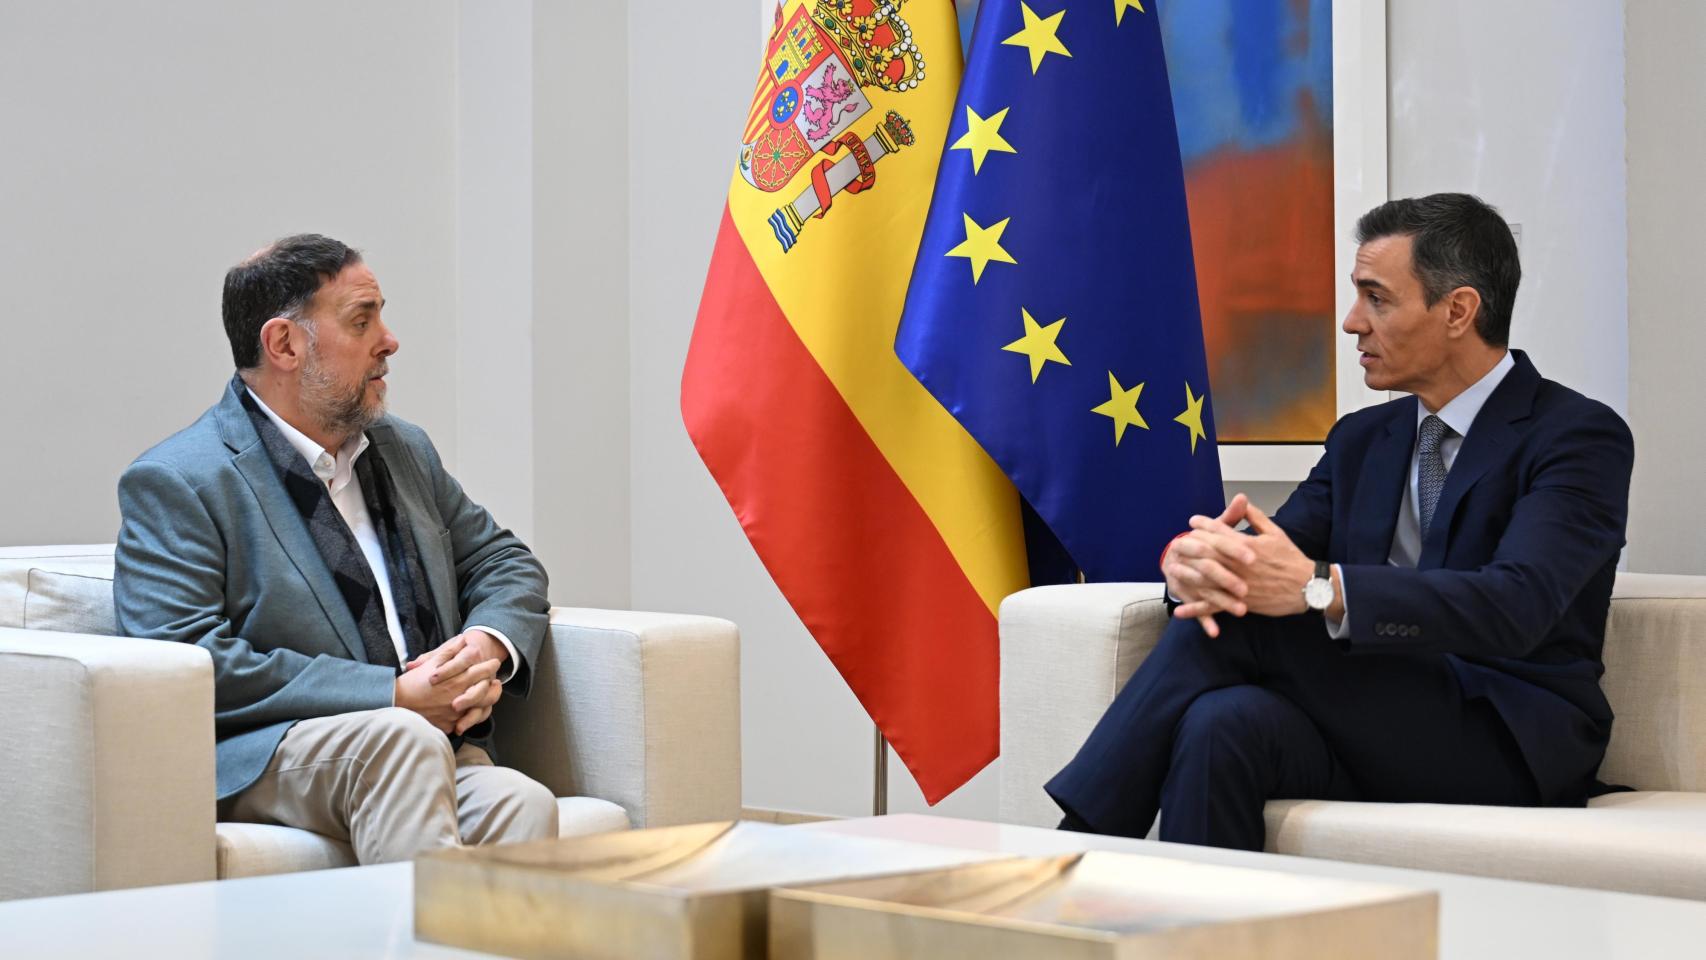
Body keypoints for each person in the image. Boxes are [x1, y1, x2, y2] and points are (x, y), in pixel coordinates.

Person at [1046, 193, 1634, 850]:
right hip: (1371, 718)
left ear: (1458, 311)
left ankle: (1078, 849)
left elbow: (1518, 604)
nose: (1352, 323)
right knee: (1221, 722)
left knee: (1244, 630)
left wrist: (1318, 589)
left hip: (1504, 731)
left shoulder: (1577, 436)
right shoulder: (1362, 439)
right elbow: (1276, 554)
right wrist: (1200, 566)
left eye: (1377, 298)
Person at [115, 234, 558, 863]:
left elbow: (503, 561)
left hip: (430, 741)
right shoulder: (180, 479)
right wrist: (393, 695)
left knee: (522, 802)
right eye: (361, 319)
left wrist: (486, 648)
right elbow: (182, 659)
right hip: (271, 751)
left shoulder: (402, 449)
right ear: (285, 345)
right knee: (402, 741)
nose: (389, 339)